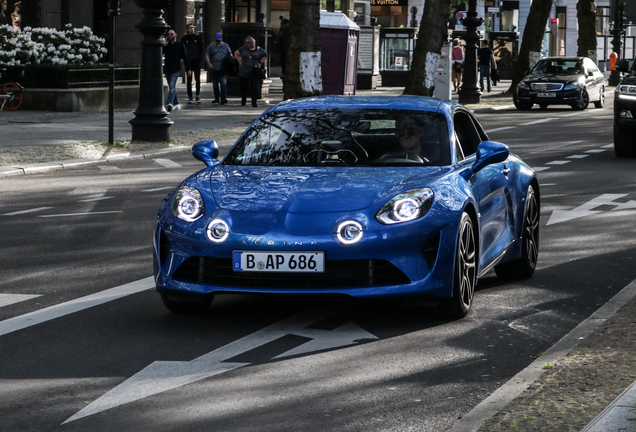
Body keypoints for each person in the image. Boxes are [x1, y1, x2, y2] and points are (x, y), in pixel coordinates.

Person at [234, 36, 267, 107]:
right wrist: (240, 61)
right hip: (244, 70)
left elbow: (265, 55)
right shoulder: (243, 49)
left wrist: (260, 63)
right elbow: (236, 53)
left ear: (252, 43)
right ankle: (243, 100)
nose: (247, 44)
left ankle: (254, 101)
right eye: (246, 42)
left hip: (253, 72)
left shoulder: (258, 50)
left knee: (254, 87)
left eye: (248, 42)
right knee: (243, 86)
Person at [163, 28, 191, 112]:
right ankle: (176, 103)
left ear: (175, 35)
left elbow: (185, 57)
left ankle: (169, 103)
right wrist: (165, 43)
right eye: (169, 34)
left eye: (171, 34)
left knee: (172, 86)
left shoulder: (180, 45)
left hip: (176, 69)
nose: (170, 35)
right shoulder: (167, 45)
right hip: (168, 69)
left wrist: (188, 69)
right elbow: (161, 52)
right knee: (172, 87)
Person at [205, 32, 232, 105]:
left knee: (223, 83)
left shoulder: (226, 46)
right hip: (214, 68)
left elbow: (230, 54)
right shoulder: (211, 46)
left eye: (219, 40)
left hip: (223, 68)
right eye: (217, 40)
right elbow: (207, 54)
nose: (218, 42)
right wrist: (209, 63)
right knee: (215, 84)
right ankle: (216, 98)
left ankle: (223, 98)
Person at [181, 24, 203, 104]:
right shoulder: (184, 39)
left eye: (193, 28)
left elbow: (201, 49)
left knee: (197, 79)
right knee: (189, 79)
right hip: (188, 61)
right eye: (190, 28)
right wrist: (183, 58)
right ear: (187, 29)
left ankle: (197, 95)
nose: (192, 29)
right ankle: (190, 96)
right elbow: (182, 49)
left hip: (196, 61)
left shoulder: (197, 38)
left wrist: (200, 59)